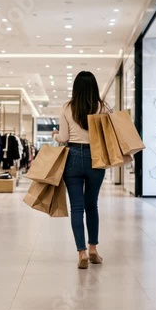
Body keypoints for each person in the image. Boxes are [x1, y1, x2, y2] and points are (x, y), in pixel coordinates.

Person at [52, 71, 108, 269]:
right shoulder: (102, 107)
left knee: (77, 207)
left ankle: (81, 253)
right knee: (92, 205)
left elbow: (65, 138)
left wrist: (56, 135)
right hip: (96, 157)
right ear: (94, 87)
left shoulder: (67, 107)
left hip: (73, 156)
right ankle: (93, 249)